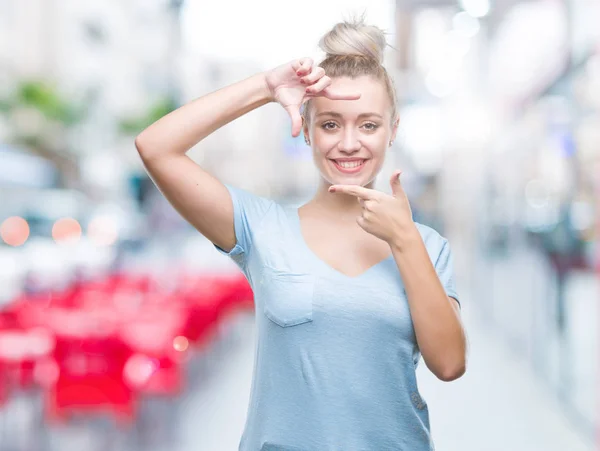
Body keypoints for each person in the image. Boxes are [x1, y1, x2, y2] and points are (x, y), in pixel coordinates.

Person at [135, 17, 467, 451]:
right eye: (330, 124)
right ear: (307, 130)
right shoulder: (262, 227)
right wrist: (266, 86)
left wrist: (403, 240)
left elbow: (449, 363)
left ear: (393, 131)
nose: (349, 143)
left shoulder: (426, 245)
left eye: (368, 124)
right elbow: (155, 146)